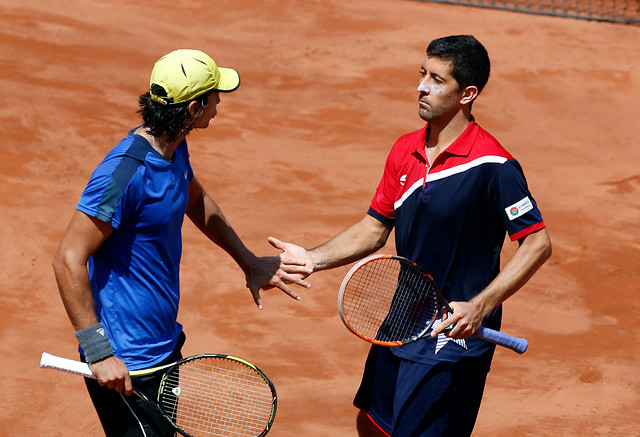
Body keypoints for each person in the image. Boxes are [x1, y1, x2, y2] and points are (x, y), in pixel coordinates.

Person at [270, 35, 552, 436]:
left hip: (453, 336)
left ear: (466, 94)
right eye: (422, 74)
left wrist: (479, 305)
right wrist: (313, 258)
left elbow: (538, 243)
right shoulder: (405, 150)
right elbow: (374, 227)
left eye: (437, 80)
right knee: (371, 423)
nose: (421, 86)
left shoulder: (495, 165)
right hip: (402, 321)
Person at [52, 49, 311, 437]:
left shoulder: (173, 149)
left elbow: (195, 199)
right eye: (214, 96)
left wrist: (248, 261)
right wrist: (98, 351)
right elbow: (67, 259)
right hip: (127, 359)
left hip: (164, 344)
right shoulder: (124, 173)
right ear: (193, 108)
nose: (219, 103)